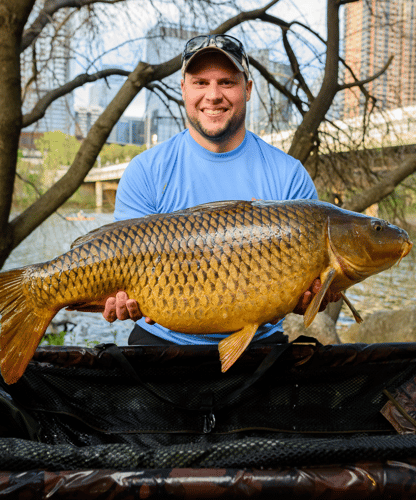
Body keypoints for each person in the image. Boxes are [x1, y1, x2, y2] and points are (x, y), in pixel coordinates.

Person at [102, 34, 338, 346]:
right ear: (183, 89)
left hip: (259, 344)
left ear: (248, 89)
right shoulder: (146, 170)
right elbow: (117, 267)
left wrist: (313, 297)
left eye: (227, 82)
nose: (213, 95)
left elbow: (314, 293)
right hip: (161, 342)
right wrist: (114, 298)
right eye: (200, 82)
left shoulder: (289, 175)